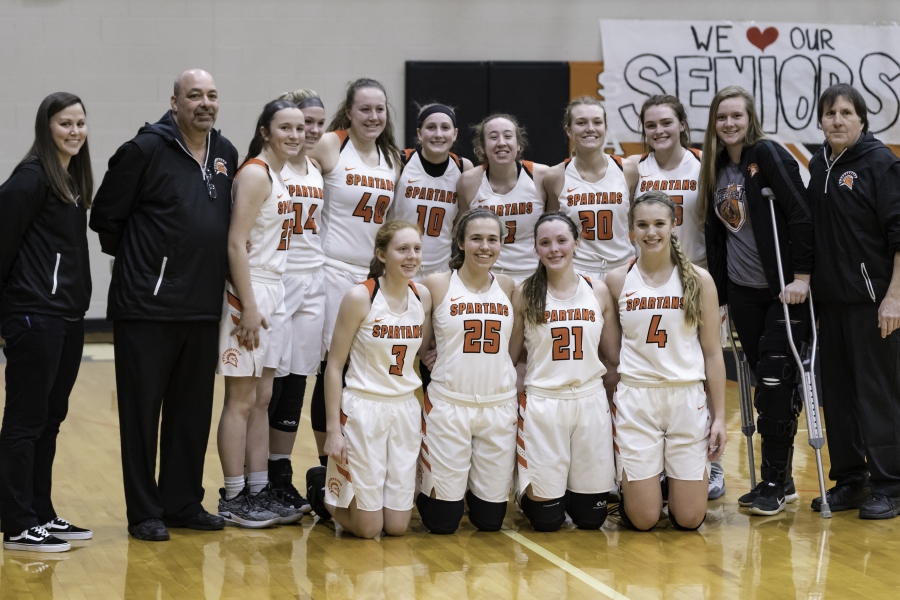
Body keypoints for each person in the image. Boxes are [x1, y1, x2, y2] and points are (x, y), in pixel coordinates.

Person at [90, 69, 237, 541]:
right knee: (141, 414)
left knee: (190, 412)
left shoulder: (226, 154)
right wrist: (148, 262)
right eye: (194, 95)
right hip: (146, 307)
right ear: (174, 102)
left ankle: (181, 501)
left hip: (201, 304)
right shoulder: (145, 150)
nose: (205, 103)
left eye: (212, 95)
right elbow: (105, 218)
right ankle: (144, 511)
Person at [700, 86, 814, 516]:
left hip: (782, 290)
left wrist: (802, 277)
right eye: (721, 117)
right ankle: (781, 481)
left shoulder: (766, 155)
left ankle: (770, 481)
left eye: (736, 116)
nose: (729, 124)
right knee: (765, 389)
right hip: (743, 294)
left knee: (774, 378)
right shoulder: (713, 168)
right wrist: (721, 298)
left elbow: (801, 213)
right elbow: (716, 237)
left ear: (750, 119)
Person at [0, 92, 94, 552]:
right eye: (65, 124)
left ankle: (41, 512)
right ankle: (17, 522)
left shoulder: (71, 181)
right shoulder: (29, 180)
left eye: (80, 123)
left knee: (50, 420)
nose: (74, 131)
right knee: (25, 422)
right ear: (46, 127)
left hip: (66, 319)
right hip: (33, 317)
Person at [605, 191, 726, 531]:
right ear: (631, 229)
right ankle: (643, 491)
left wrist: (718, 418)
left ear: (674, 225)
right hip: (637, 397)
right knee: (643, 521)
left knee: (689, 520)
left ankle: (667, 487)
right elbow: (613, 355)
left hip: (687, 397)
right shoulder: (617, 280)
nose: (651, 232)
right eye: (642, 225)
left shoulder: (699, 280)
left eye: (659, 223)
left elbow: (713, 352)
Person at [808, 83, 900, 519]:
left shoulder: (881, 163)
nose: (838, 120)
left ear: (862, 120)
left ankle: (891, 486)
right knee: (839, 398)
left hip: (874, 303)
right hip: (832, 304)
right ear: (821, 120)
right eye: (830, 113)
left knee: (877, 396)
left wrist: (894, 298)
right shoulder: (818, 164)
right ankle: (852, 481)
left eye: (847, 112)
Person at [627, 95, 725, 501]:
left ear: (683, 124)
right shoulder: (635, 170)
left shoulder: (704, 165)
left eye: (666, 123)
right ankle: (646, 465)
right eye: (651, 125)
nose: (659, 131)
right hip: (650, 279)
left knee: (698, 367)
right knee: (652, 364)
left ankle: (709, 462)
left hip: (694, 277)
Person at [306, 221, 431, 538]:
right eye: (402, 249)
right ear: (381, 254)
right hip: (363, 408)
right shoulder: (360, 297)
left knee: (398, 527)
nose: (411, 256)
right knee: (368, 528)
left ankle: (349, 494)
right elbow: (334, 366)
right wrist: (333, 431)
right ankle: (320, 489)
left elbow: (420, 350)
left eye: (416, 249)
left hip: (404, 409)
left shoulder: (423, 297)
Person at [215, 99, 305, 528]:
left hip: (275, 289)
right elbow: (236, 243)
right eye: (284, 127)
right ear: (265, 131)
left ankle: (257, 487)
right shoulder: (254, 173)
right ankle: (233, 495)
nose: (294, 134)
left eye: (300, 128)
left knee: (263, 399)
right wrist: (248, 305)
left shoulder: (280, 176)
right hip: (250, 292)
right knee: (241, 398)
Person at [307, 78, 402, 474]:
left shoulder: (393, 158)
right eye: (365, 109)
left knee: (362, 366)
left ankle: (359, 456)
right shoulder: (332, 144)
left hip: (369, 277)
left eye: (379, 109)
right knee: (332, 366)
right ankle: (324, 464)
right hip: (330, 270)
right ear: (349, 111)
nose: (373, 116)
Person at [508, 212, 621, 532]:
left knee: (591, 519)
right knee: (547, 522)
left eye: (561, 240)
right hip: (542, 404)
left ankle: (570, 489)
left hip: (590, 402)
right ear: (536, 248)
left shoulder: (597, 291)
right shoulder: (525, 292)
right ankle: (532, 491)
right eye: (545, 242)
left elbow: (613, 356)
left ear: (577, 243)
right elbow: (512, 357)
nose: (554, 249)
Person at [415, 208, 518, 534]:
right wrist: (433, 356)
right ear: (460, 242)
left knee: (490, 522)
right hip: (449, 406)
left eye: (492, 239)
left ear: (501, 244)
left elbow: (511, 349)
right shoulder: (436, 284)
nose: (484, 246)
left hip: (497, 407)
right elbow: (420, 341)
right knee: (441, 523)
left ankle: (473, 485)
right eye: (476, 238)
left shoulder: (507, 285)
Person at [265, 89, 328, 515]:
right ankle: (260, 478)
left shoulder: (319, 166)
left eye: (318, 123)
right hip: (277, 278)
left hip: (314, 279)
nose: (310, 130)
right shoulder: (266, 169)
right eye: (303, 121)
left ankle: (281, 474)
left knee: (299, 380)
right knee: (271, 381)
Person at [545, 97, 638, 281]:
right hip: (578, 270)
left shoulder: (627, 170)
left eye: (597, 122)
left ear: (605, 127)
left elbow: (632, 222)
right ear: (569, 130)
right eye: (581, 123)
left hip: (624, 267)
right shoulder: (555, 176)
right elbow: (553, 231)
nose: (590, 128)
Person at [457, 114, 548, 285]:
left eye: (508, 136)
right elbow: (461, 234)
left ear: (518, 144)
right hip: (486, 276)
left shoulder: (542, 176)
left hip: (534, 274)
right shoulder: (468, 182)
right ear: (482, 147)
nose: (501, 142)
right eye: (493, 137)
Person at [392, 103, 475, 282]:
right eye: (431, 127)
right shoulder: (401, 161)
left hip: (440, 269)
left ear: (455, 133)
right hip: (399, 266)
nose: (438, 134)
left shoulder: (463, 167)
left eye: (445, 128)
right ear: (419, 133)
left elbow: (462, 219)